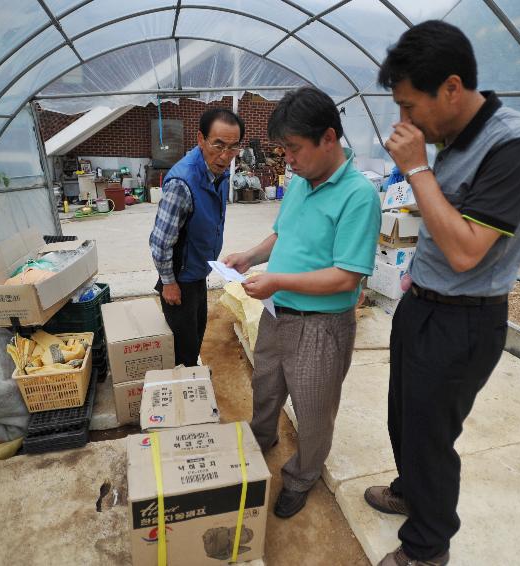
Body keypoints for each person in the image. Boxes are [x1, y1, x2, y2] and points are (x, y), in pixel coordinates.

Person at [363, 21, 520, 566]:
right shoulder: (447, 137)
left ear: (450, 88)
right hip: (422, 304)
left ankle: (427, 546)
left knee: (432, 436)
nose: (404, 123)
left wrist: (416, 167)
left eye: (409, 106)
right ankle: (411, 491)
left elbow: (468, 250)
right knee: (404, 416)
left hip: (464, 322)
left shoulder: (516, 143)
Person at [224, 86, 381, 519]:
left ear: (328, 138)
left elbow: (346, 276)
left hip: (321, 327)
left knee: (313, 411)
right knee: (266, 386)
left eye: (294, 148)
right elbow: (283, 234)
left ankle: (301, 476)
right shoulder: (298, 182)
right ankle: (261, 439)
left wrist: (275, 280)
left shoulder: (358, 196)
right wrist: (252, 257)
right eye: (283, 149)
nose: (287, 158)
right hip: (278, 314)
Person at [149, 108, 245, 366]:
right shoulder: (183, 182)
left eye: (233, 148)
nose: (225, 156)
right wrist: (169, 282)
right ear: (201, 139)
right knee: (184, 346)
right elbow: (160, 241)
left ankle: (191, 377)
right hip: (180, 280)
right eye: (218, 145)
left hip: (198, 271)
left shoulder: (219, 174)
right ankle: (185, 392)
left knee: (196, 332)